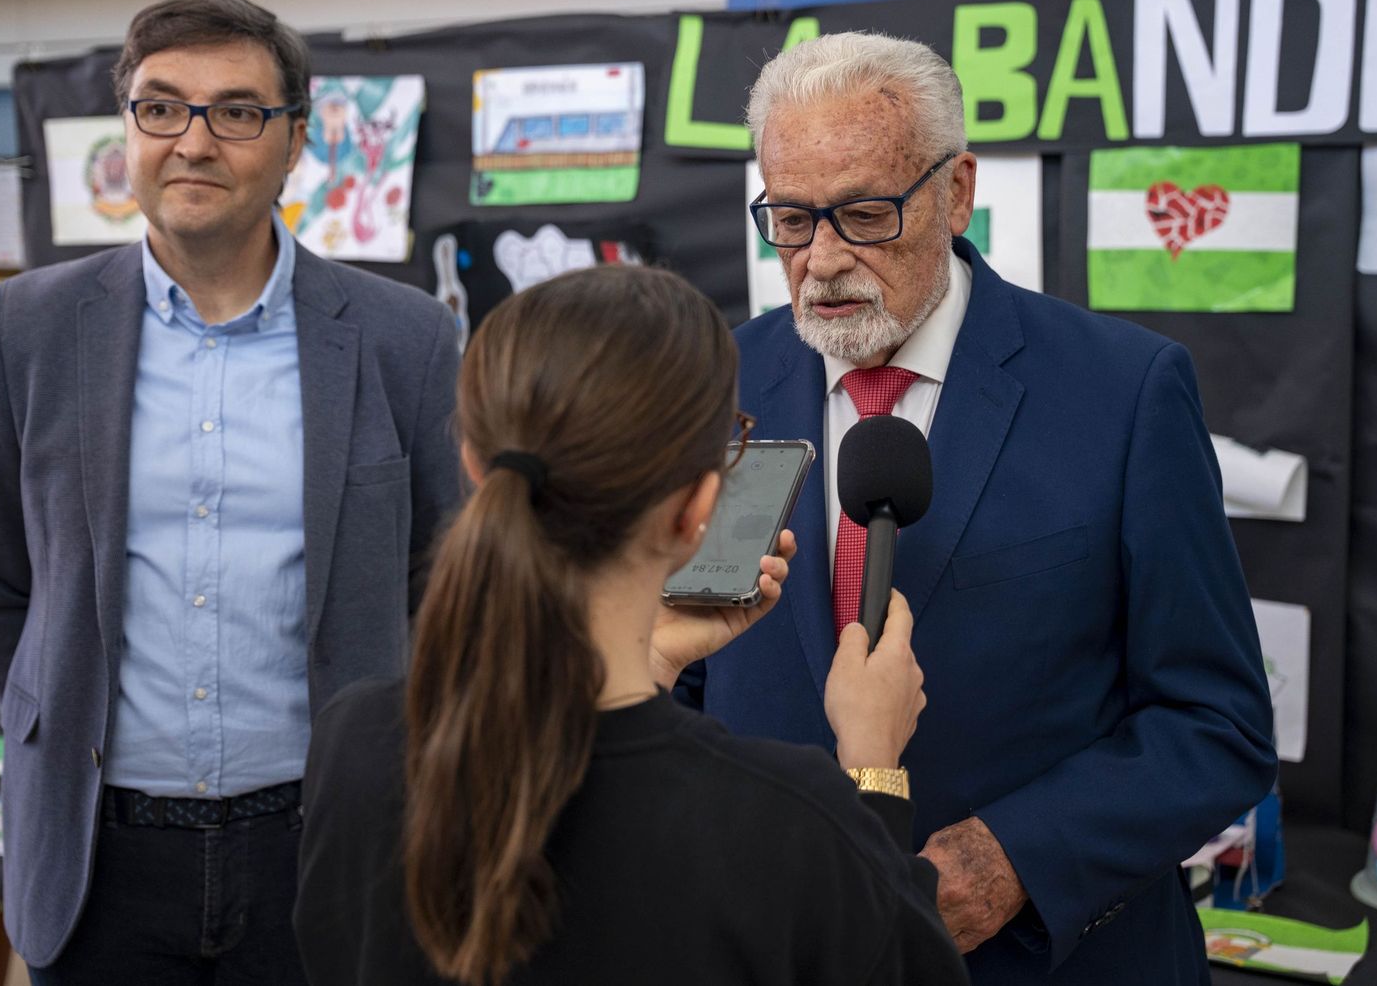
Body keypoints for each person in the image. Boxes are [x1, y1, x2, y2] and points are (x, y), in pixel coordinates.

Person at [674, 32, 1279, 984]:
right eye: (789, 219)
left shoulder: (1123, 393)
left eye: (864, 214)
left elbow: (1218, 723)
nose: (821, 260)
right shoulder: (719, 384)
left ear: (956, 192)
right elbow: (687, 679)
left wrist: (1015, 859)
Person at [0, 0, 460, 983]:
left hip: (325, 842)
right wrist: (59, 715)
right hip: (98, 855)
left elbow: (448, 578)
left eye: (236, 112)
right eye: (161, 107)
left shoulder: (404, 339)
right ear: (129, 128)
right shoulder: (31, 328)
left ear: (295, 138)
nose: (193, 141)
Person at [294, 265, 970, 986]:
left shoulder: (354, 746)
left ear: (473, 466)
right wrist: (872, 770)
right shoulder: (780, 821)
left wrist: (652, 665)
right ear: (697, 509)